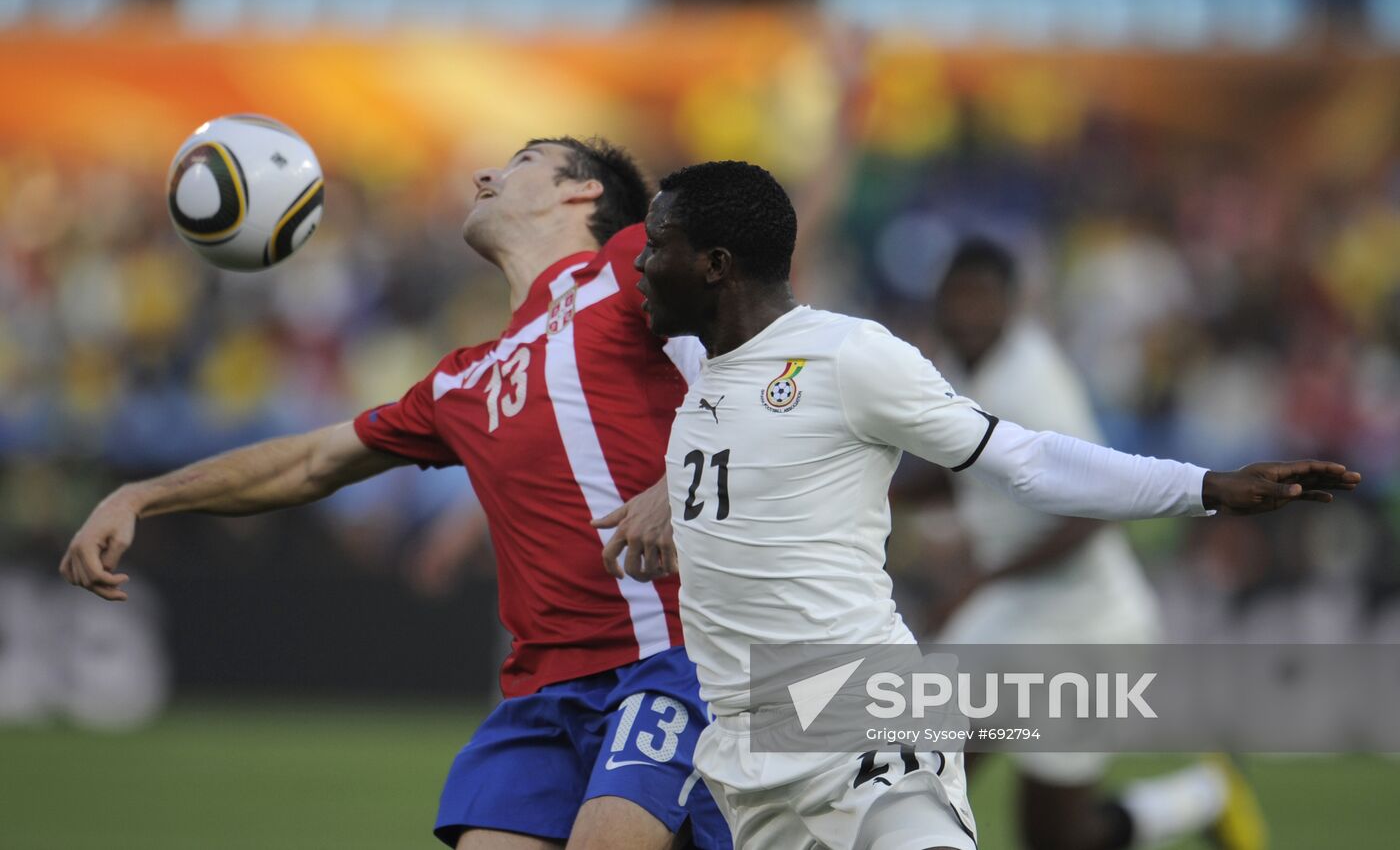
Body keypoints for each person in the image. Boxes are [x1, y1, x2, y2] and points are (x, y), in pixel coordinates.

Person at [631, 159, 1359, 850]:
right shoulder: (704, 368)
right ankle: (1198, 796)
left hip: (882, 709)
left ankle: (1192, 793)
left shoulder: (851, 356)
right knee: (1056, 833)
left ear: (716, 265)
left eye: (656, 246)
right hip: (749, 748)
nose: (637, 264)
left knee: (1039, 821)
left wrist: (1205, 487)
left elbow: (1033, 464)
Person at [60, 137, 731, 850]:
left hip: (671, 656)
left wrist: (675, 480)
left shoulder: (632, 262)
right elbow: (314, 461)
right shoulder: (462, 380)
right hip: (542, 696)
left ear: (581, 192)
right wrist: (143, 495)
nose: (486, 175)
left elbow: (778, 349)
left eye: (523, 161)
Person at [930, 237, 1262, 850]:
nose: (968, 312)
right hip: (1013, 617)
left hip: (1087, 628)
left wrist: (978, 580)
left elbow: (1090, 516)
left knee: (1055, 837)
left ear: (1013, 306)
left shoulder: (1031, 381)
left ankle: (1203, 795)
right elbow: (956, 466)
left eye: (982, 298)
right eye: (958, 297)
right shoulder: (956, 366)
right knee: (923, 770)